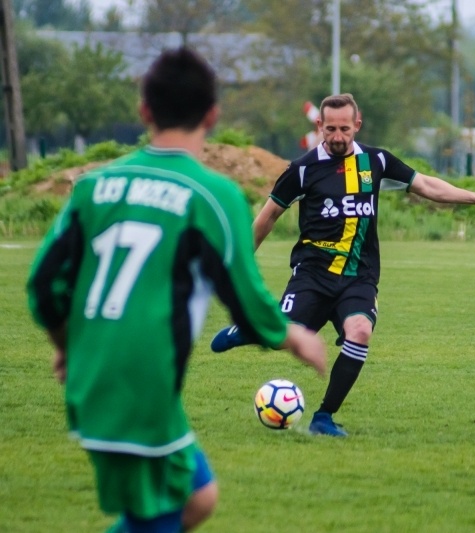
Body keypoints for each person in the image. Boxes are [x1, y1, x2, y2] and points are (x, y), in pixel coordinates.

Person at [26, 47, 326, 533]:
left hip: (95, 383)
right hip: (141, 388)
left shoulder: (93, 187)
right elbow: (246, 299)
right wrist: (294, 337)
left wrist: (67, 348)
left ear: (144, 111)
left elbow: (43, 288)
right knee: (160, 516)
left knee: (198, 498)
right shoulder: (212, 194)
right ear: (213, 114)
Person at [211, 93, 475, 437]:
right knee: (283, 338)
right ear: (318, 126)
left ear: (357, 124)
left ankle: (323, 417)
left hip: (359, 277)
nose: (337, 136)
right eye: (330, 129)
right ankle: (250, 330)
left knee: (360, 332)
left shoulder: (377, 161)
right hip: (312, 275)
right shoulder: (302, 170)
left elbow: (426, 184)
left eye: (344, 129)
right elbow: (267, 218)